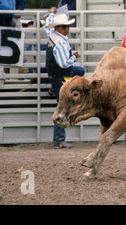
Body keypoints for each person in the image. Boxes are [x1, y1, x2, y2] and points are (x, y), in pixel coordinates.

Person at [45, 12, 85, 149]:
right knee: (62, 108)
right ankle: (59, 141)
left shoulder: (53, 35)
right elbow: (64, 64)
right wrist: (73, 57)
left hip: (53, 73)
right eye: (63, 27)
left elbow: (46, 27)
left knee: (80, 72)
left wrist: (50, 14)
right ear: (57, 28)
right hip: (60, 75)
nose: (66, 29)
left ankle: (54, 88)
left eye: (67, 26)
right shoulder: (61, 43)